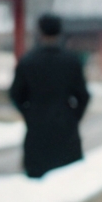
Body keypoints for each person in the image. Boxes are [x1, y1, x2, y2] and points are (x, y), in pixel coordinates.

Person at [8, 13, 89, 178]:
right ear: (60, 33)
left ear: (40, 32)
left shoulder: (28, 61)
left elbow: (16, 94)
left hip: (37, 130)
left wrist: (29, 113)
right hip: (66, 130)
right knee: (68, 183)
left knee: (36, 189)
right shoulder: (71, 61)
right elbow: (83, 96)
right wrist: (73, 117)